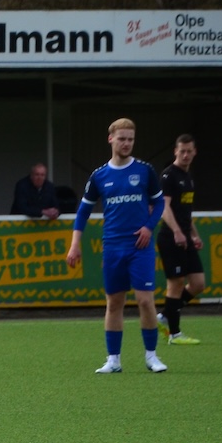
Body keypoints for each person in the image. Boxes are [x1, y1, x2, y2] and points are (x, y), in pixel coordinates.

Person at [66, 117, 167, 374]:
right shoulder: (99, 176)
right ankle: (113, 360)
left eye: (130, 139)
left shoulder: (145, 171)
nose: (126, 143)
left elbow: (160, 203)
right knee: (114, 303)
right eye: (122, 138)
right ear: (110, 139)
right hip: (112, 246)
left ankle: (151, 356)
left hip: (140, 246)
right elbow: (83, 212)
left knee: (145, 301)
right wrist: (75, 244)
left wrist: (149, 227)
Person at [157, 134, 205, 345]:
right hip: (171, 237)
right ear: (175, 151)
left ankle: (165, 315)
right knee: (176, 283)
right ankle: (174, 334)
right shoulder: (169, 176)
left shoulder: (189, 177)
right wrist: (176, 231)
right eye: (182, 151)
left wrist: (194, 234)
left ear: (195, 152)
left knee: (198, 283)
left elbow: (186, 211)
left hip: (185, 236)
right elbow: (164, 207)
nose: (185, 155)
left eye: (189, 151)